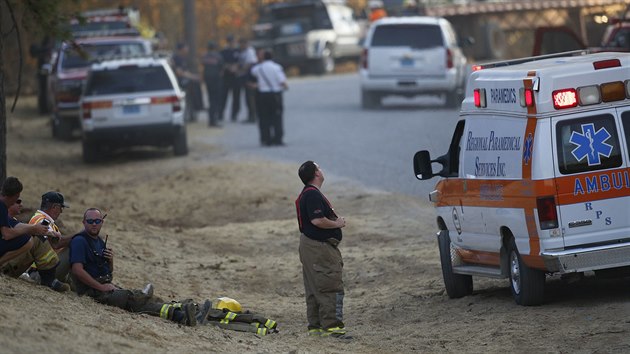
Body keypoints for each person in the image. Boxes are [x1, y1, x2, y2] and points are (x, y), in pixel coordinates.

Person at [69, 208, 209, 326]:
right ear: (83, 222)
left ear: (102, 222)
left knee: (145, 300)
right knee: (132, 298)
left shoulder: (99, 241)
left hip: (106, 286)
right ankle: (180, 315)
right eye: (90, 221)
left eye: (97, 221)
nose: (94, 224)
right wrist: (101, 288)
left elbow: (108, 272)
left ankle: (187, 311)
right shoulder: (80, 241)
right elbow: (77, 270)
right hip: (94, 292)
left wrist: (110, 260)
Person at [295, 161, 350, 339]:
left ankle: (316, 328)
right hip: (318, 247)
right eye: (319, 167)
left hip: (310, 246)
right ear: (316, 174)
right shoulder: (312, 195)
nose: (321, 169)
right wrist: (337, 223)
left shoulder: (308, 193)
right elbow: (317, 220)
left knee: (314, 287)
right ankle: (333, 329)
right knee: (329, 284)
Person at [3, 191, 73, 292]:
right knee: (76, 244)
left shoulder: (14, 221)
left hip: (38, 267)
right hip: (38, 270)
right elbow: (54, 244)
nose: (21, 204)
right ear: (54, 207)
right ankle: (49, 279)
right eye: (17, 201)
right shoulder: (40, 220)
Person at [0, 177, 45, 267]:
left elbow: (14, 226)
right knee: (26, 240)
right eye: (17, 199)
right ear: (14, 196)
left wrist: (33, 228)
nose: (16, 203)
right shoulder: (2, 206)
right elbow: (7, 234)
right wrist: (33, 229)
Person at [250, 50, 288, 146]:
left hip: (263, 95)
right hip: (275, 94)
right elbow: (282, 81)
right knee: (277, 118)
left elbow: (253, 73)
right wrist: (285, 86)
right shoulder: (277, 67)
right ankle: (278, 139)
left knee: (264, 118)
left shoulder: (258, 68)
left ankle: (266, 139)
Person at [172, 42, 201, 122]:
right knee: (185, 100)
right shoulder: (177, 58)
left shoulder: (182, 58)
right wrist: (193, 77)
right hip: (179, 84)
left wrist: (193, 76)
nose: (187, 49)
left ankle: (192, 114)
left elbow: (185, 71)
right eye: (186, 47)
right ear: (182, 49)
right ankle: (186, 116)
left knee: (191, 98)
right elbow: (179, 72)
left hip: (184, 82)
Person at [201, 40, 224, 127]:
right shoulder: (218, 56)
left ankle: (211, 120)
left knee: (211, 100)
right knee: (215, 101)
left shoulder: (204, 56)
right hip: (216, 81)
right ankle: (213, 121)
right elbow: (221, 69)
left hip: (208, 81)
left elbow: (203, 66)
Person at [220, 35, 241, 122]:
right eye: (230, 42)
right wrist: (228, 67)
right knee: (223, 96)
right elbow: (221, 63)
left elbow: (241, 61)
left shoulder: (238, 51)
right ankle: (220, 114)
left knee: (236, 97)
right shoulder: (223, 52)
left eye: (232, 41)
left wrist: (236, 67)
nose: (232, 43)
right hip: (226, 77)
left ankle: (234, 114)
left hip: (236, 77)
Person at [238, 37, 258, 123]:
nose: (241, 46)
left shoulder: (250, 52)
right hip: (244, 77)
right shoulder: (243, 52)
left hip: (250, 77)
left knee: (251, 98)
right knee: (247, 98)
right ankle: (250, 116)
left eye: (243, 44)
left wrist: (241, 71)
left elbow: (250, 64)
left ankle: (253, 116)